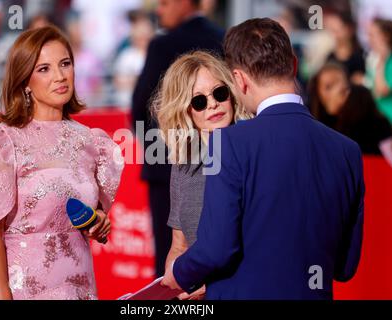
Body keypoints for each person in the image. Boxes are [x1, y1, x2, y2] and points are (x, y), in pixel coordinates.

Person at [162, 18, 365, 300]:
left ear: (240, 81)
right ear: (294, 66)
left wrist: (178, 273)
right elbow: (345, 266)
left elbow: (216, 249)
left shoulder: (228, 143)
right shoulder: (347, 151)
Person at [0, 25, 124, 300]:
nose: (59, 76)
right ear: (25, 81)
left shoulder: (92, 142)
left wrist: (99, 222)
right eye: (44, 69)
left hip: (80, 286)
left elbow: (93, 218)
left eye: (65, 64)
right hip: (24, 290)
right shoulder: (3, 142)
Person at [131, 0, 225, 278]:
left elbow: (140, 110)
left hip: (168, 172)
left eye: (164, 2)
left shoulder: (162, 46)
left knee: (171, 265)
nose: (159, 11)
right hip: (224, 165)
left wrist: (171, 155)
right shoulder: (224, 38)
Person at [152, 51, 251, 299]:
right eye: (199, 101)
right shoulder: (183, 165)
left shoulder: (252, 150)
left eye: (219, 93)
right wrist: (174, 287)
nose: (213, 104)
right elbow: (179, 246)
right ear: (185, 111)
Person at [309, 63, 392, 165]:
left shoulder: (372, 120)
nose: (337, 90)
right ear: (317, 92)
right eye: (328, 87)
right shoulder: (314, 128)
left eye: (341, 83)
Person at [325, 11, 366, 85]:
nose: (335, 36)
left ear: (349, 29)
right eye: (333, 31)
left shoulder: (362, 56)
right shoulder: (330, 58)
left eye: (338, 31)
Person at [365, 17, 392, 124]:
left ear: (386, 36)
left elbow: (381, 91)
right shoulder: (372, 58)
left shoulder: (387, 60)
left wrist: (382, 59)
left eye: (373, 35)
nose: (369, 39)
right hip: (378, 121)